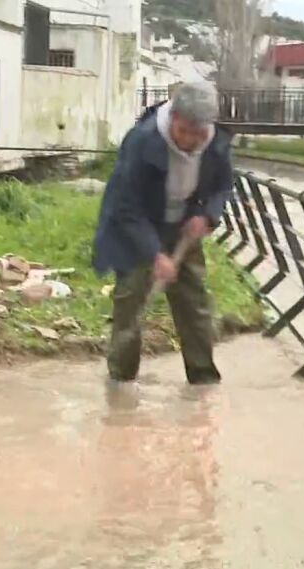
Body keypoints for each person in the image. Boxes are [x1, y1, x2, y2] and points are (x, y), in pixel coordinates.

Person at [90, 80, 233, 385]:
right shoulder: (142, 140)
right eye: (184, 132)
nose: (190, 141)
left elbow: (222, 185)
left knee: (194, 304)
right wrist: (155, 254)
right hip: (138, 229)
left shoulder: (216, 142)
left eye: (198, 134)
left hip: (184, 225)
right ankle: (121, 381)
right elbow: (126, 206)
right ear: (175, 117)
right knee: (131, 303)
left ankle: (203, 380)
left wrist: (208, 216)